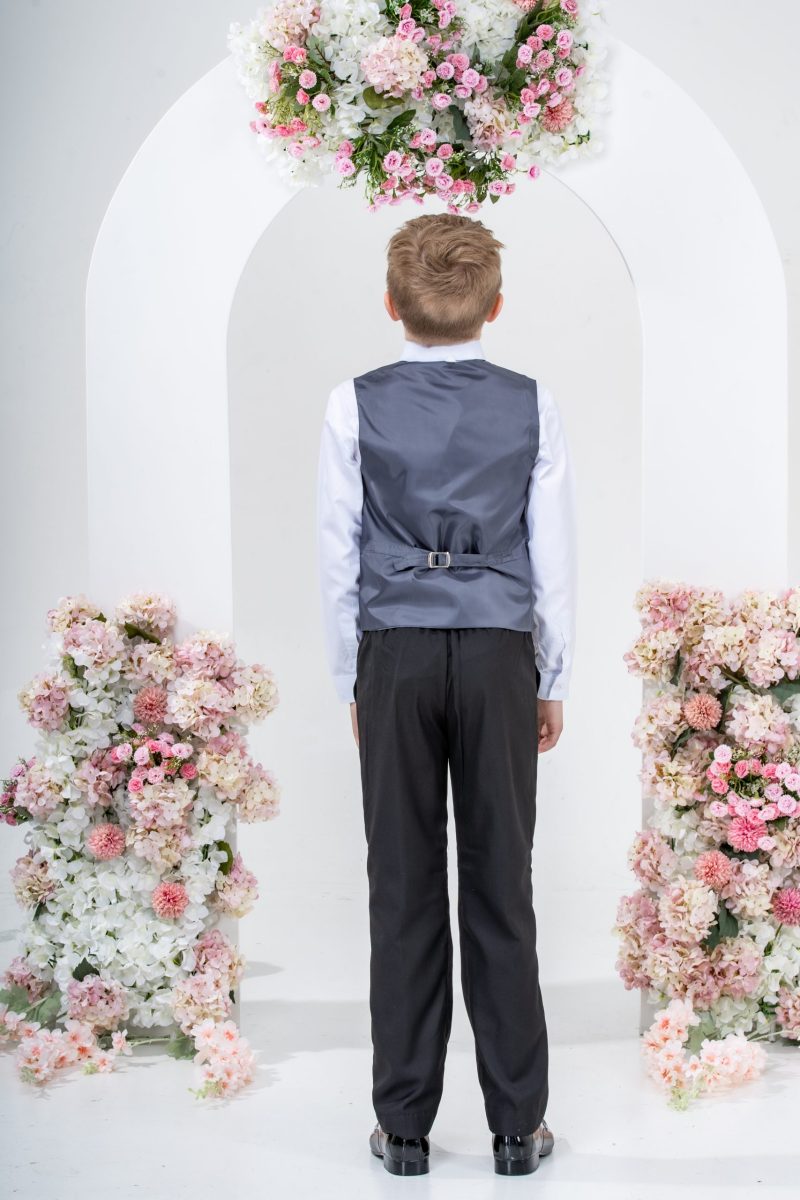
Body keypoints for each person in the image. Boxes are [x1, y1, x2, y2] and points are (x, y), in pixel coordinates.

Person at [315, 212, 576, 1177]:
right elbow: (554, 552)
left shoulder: (353, 403)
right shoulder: (533, 402)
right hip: (501, 651)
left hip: (396, 653)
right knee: (503, 881)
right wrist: (554, 673)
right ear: (495, 308)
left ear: (391, 304)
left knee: (403, 883)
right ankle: (516, 1128)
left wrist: (350, 676)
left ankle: (404, 1129)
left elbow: (336, 549)